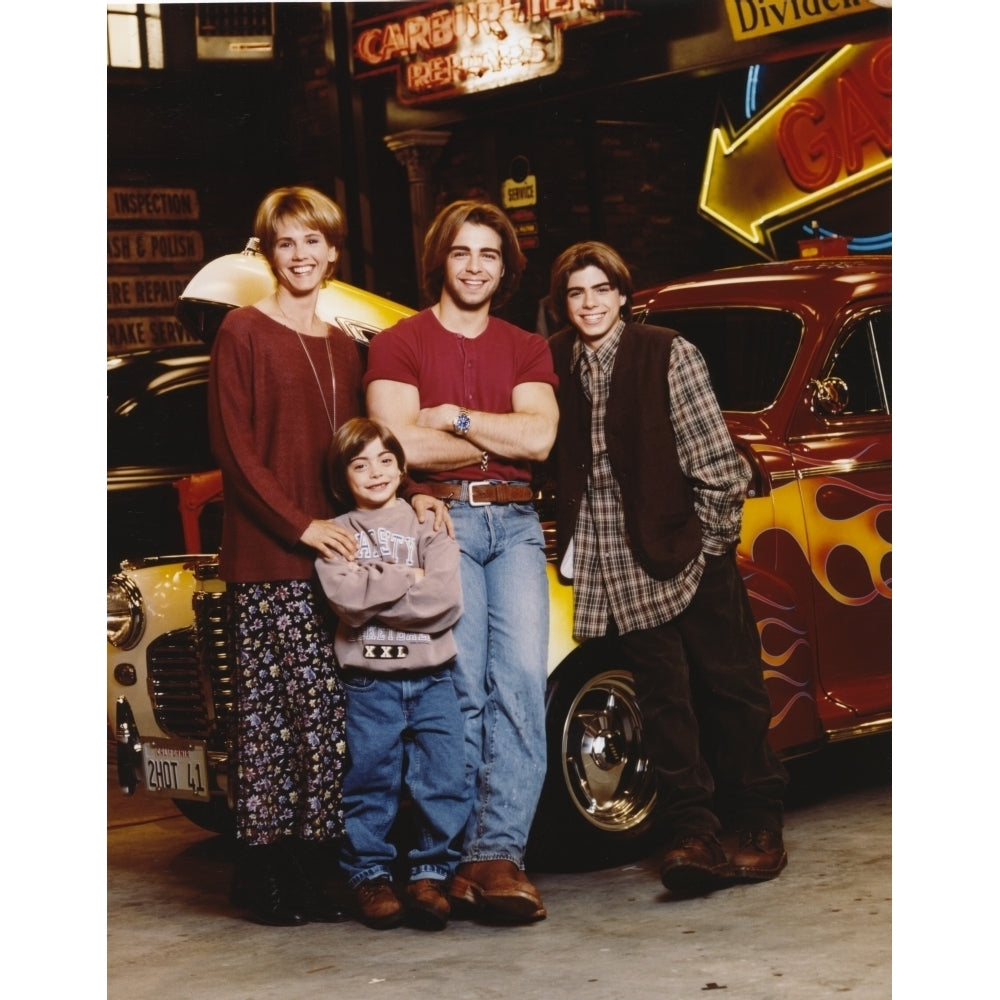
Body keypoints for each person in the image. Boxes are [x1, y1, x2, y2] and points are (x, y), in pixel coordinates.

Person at [207, 186, 447, 926]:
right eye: (287, 242)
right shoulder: (242, 332)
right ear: (268, 253)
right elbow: (235, 451)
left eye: (314, 241)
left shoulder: (347, 346)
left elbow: (364, 445)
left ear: (333, 252)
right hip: (271, 558)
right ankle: (263, 872)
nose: (302, 254)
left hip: (343, 559)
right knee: (271, 721)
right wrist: (302, 525)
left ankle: (317, 865)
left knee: (327, 719)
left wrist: (417, 489)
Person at [546, 241, 789, 896]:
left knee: (731, 686)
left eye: (601, 290)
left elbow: (716, 462)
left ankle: (758, 824)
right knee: (662, 697)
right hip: (614, 555)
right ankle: (694, 833)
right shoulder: (557, 364)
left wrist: (712, 544)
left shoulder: (666, 351)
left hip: (687, 544)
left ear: (623, 295)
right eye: (576, 293)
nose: (590, 303)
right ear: (564, 304)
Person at [365, 200, 559, 923]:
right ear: (439, 261)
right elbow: (398, 448)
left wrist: (453, 419)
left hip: (513, 523)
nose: (475, 266)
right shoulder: (398, 342)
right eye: (462, 253)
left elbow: (539, 443)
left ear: (504, 268)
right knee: (459, 690)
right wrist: (491, 438)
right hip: (440, 521)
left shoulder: (525, 345)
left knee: (518, 683)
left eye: (489, 255)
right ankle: (449, 855)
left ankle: (498, 854)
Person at [315, 417, 467, 930]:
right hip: (369, 683)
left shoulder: (430, 522)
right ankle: (370, 875)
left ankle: (429, 873)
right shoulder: (336, 535)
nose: (375, 472)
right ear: (343, 479)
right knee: (370, 780)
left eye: (385, 460)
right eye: (360, 464)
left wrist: (374, 586)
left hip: (434, 677)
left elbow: (444, 602)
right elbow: (346, 600)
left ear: (403, 468)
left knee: (443, 778)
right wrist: (409, 577)